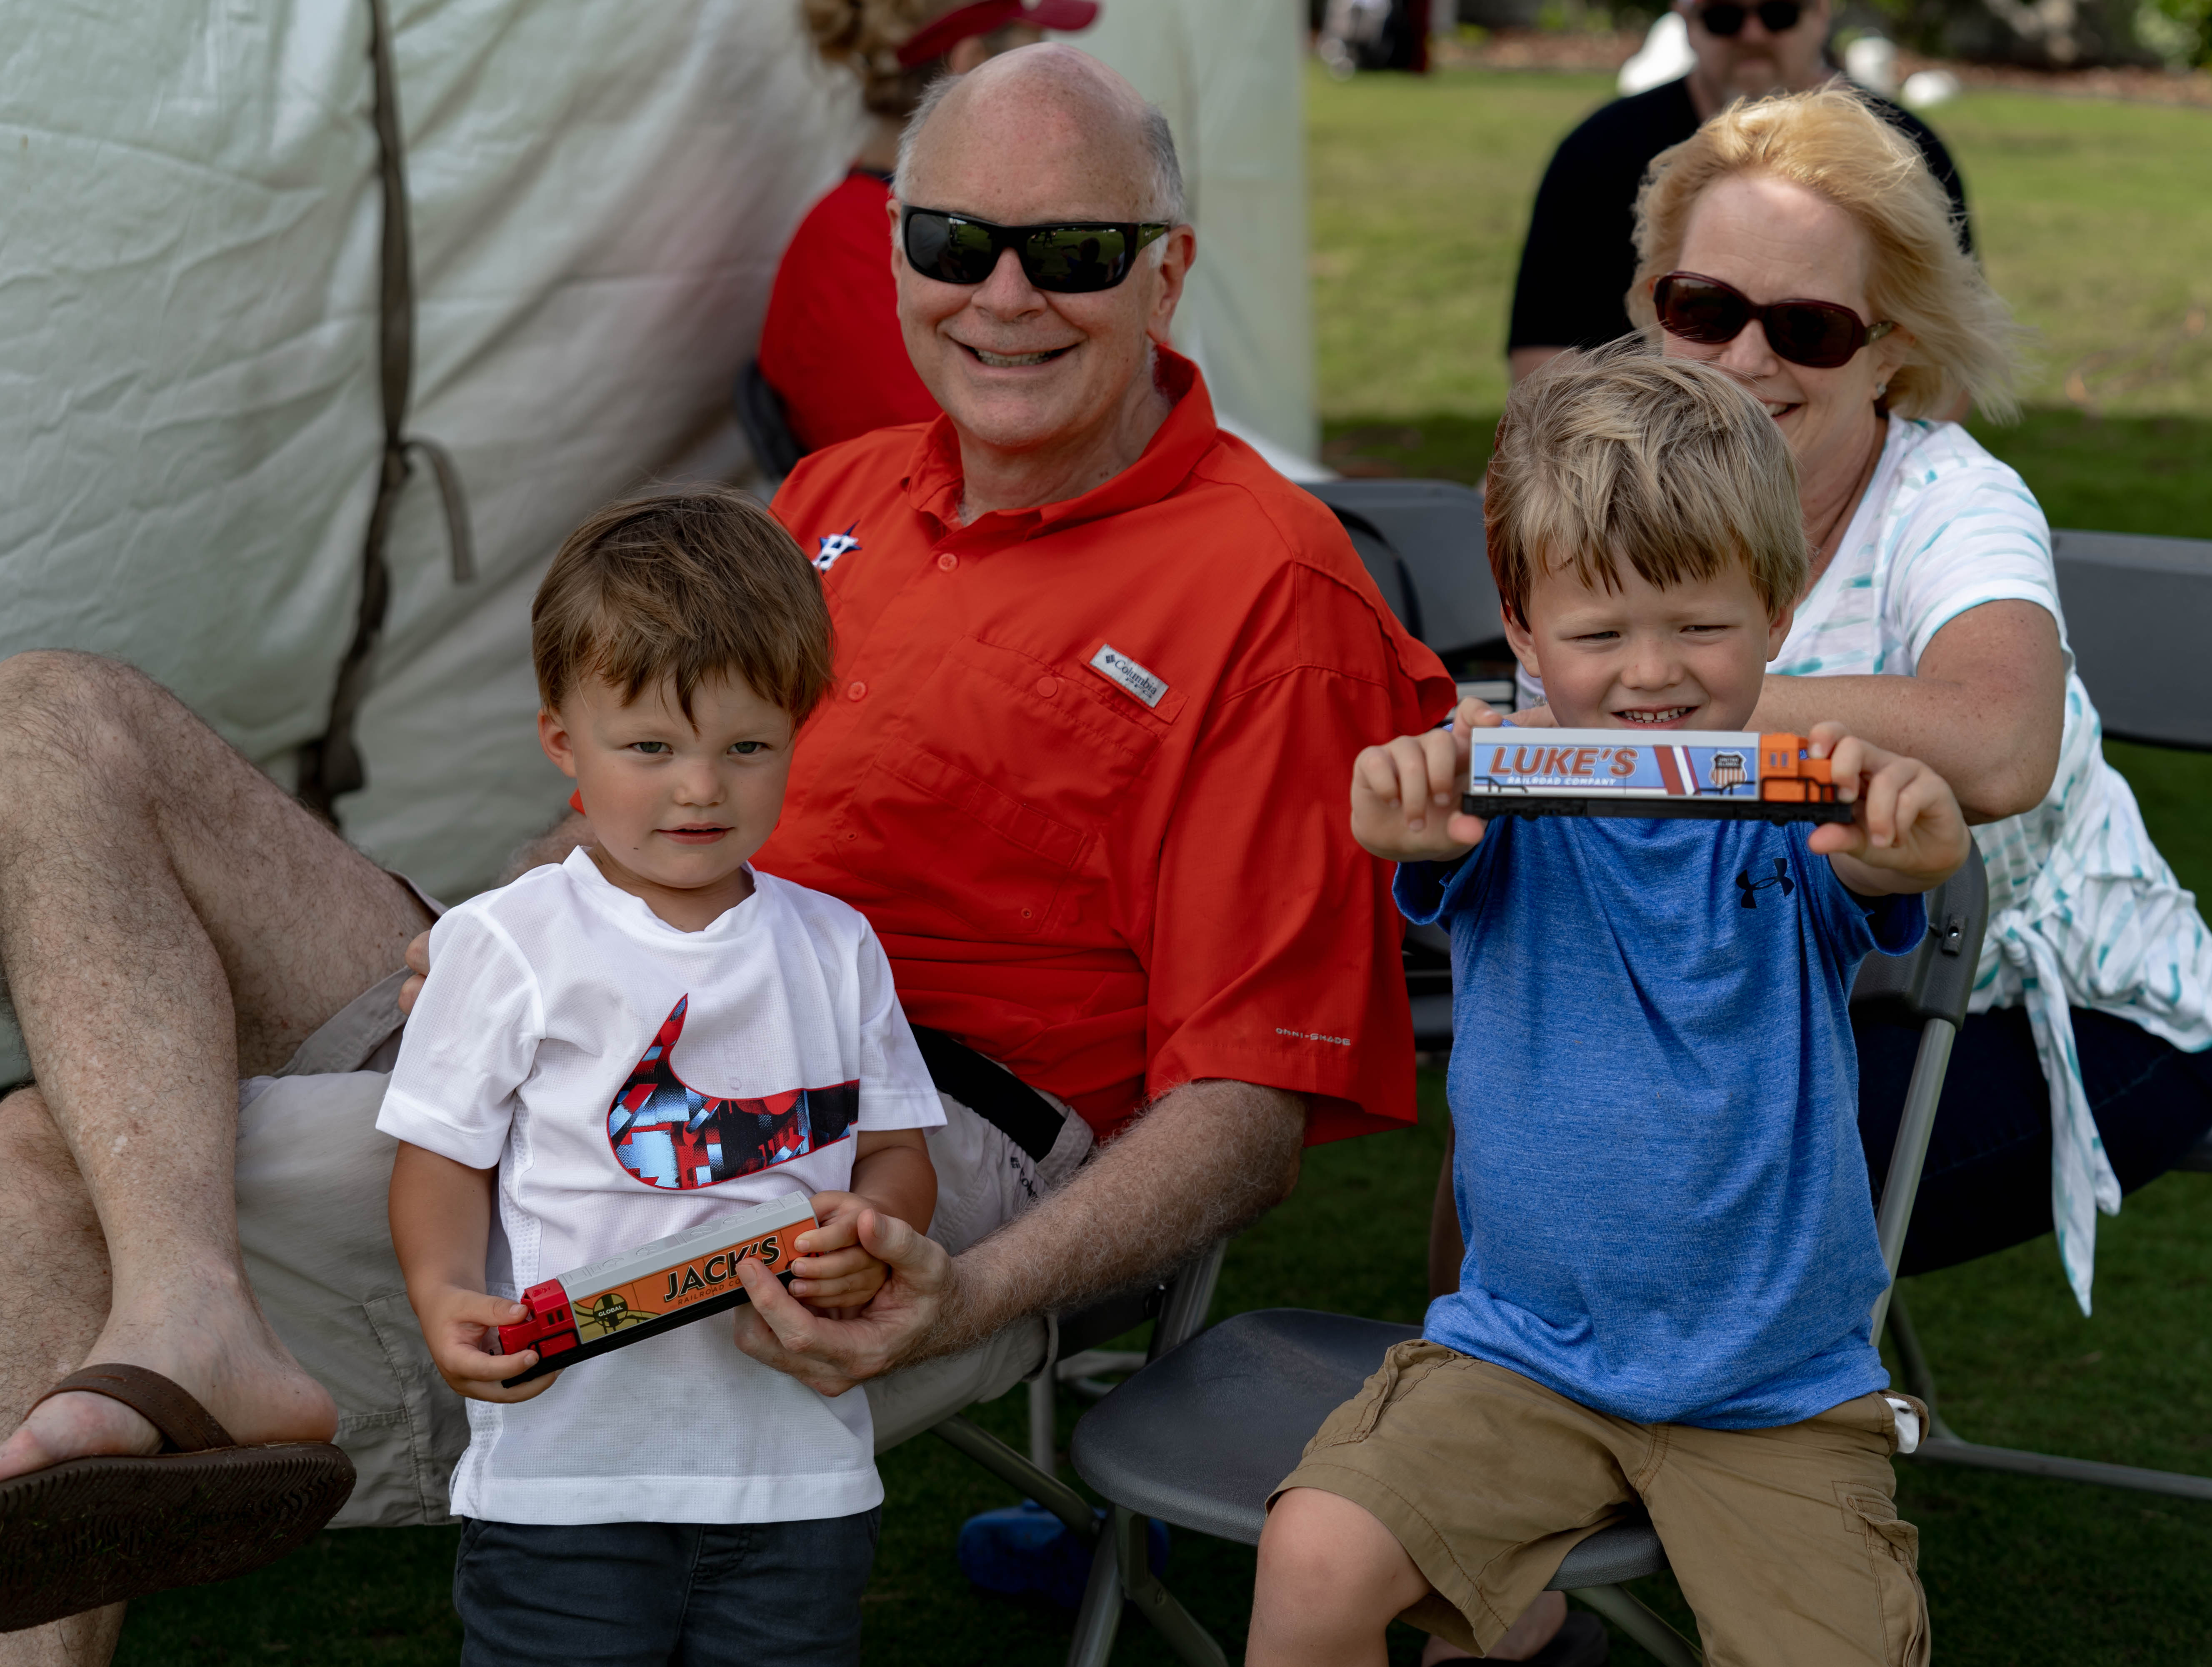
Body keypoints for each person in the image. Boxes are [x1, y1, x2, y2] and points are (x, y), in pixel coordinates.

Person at [0, 45, 1450, 1659]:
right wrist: (514, 913)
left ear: (1167, 275)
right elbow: (650, 774)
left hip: (881, 1117)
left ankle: (188, 1320)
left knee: (39, 1170)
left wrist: (970, 1296)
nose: (1006, 296)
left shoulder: (1271, 595)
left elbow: (1247, 1113)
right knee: (49, 721)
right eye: (957, 243)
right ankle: (189, 1308)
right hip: (598, 961)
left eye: (1077, 252)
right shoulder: (839, 494)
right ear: (896, 255)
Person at [1462, 88, 2212, 1321]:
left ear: (1890, 350)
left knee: (1684, 1182)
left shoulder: (1950, 501)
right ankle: (1487, 1396)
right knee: (1525, 1111)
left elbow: (2002, 745)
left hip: (2059, 1018)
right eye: (1704, 308)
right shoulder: (1617, 493)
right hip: (1775, 993)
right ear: (1651, 308)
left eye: (1809, 328)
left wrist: (1666, 709)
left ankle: (1639, 1427)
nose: (1744, 358)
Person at [1252, 347, 1967, 1667]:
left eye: (1699, 627)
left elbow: (1873, 865)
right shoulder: (1497, 803)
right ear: (1522, 630)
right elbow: (1422, 833)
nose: (1650, 675)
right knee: (1313, 1561)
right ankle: (1510, 1620)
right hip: (1520, 1358)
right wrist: (1404, 812)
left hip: (1774, 1390)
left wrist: (1907, 843)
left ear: (1779, 611)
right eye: (1596, 635)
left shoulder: (1802, 810)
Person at [383, 490, 944, 1666]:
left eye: (746, 748)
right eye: (650, 748)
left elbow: (895, 1151)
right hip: (566, 1483)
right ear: (562, 743)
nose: (700, 788)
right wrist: (442, 1291)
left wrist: (873, 1233)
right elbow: (441, 1154)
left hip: (798, 1480)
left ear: (795, 732)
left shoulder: (836, 946)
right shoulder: (507, 942)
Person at [1505, 0, 1969, 386]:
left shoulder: (1905, 153)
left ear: (1821, 13)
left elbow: (1946, 356)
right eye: (1723, 17)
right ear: (1685, 20)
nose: (1752, 33)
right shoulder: (1598, 152)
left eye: (1779, 13)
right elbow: (1543, 358)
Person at [756, 0, 1099, 456]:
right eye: (1037, 67)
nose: (1057, 96)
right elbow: (961, 462)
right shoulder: (849, 242)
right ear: (974, 66)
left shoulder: (940, 224)